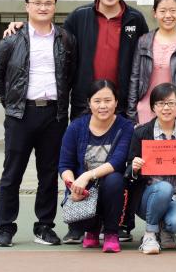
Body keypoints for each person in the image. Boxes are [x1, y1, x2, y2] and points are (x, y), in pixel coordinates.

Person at [5, 0, 148, 244]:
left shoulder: (135, 19)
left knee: (121, 166)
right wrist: (20, 27)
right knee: (81, 160)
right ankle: (79, 221)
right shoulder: (79, 16)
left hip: (121, 104)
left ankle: (121, 223)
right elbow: (53, 38)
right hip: (85, 103)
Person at [0, 0, 76, 248]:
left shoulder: (65, 39)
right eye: (37, 2)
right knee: (12, 173)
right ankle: (5, 227)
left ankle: (44, 226)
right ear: (27, 6)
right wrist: (12, 104)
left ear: (55, 7)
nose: (42, 7)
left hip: (54, 115)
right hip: (20, 115)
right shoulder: (11, 39)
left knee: (48, 174)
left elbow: (71, 75)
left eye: (48, 3)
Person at [58, 80, 135, 253]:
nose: (103, 106)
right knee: (81, 199)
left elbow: (117, 161)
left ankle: (111, 233)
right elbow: (65, 164)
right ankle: (91, 230)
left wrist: (87, 175)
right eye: (97, 101)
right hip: (85, 191)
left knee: (114, 180)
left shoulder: (126, 127)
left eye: (108, 100)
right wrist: (72, 186)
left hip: (112, 190)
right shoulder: (76, 127)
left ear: (116, 102)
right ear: (89, 103)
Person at [126, 83, 176, 254]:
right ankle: (150, 234)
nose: (166, 108)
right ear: (153, 107)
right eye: (160, 103)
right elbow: (128, 169)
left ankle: (165, 228)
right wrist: (134, 167)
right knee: (164, 187)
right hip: (147, 196)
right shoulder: (141, 133)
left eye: (171, 103)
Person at [127, 0, 176, 125]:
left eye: (173, 10)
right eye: (162, 11)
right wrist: (131, 115)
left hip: (175, 112)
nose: (168, 15)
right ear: (154, 13)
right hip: (146, 110)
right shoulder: (143, 41)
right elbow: (135, 79)